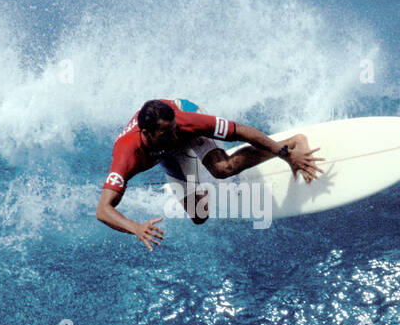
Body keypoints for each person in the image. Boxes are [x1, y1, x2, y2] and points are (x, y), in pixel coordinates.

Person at [96, 98, 322, 250]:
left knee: (223, 169)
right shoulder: (126, 154)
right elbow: (103, 210)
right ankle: (195, 173)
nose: (175, 136)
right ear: (146, 133)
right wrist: (135, 227)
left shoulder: (183, 122)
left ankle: (292, 143)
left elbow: (241, 131)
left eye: (175, 129)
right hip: (164, 155)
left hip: (187, 123)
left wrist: (284, 154)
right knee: (199, 216)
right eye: (167, 133)